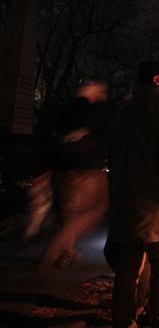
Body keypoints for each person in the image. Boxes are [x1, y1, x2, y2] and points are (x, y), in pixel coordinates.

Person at [106, 61, 159, 328]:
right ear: (158, 80)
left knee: (127, 273)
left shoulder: (124, 111)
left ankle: (123, 321)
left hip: (128, 208)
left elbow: (113, 157)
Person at [39, 80, 110, 269]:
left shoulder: (64, 110)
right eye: (101, 92)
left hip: (64, 168)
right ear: (92, 92)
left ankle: (66, 250)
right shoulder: (93, 112)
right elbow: (101, 137)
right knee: (96, 207)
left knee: (67, 211)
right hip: (87, 168)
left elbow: (53, 137)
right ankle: (59, 247)